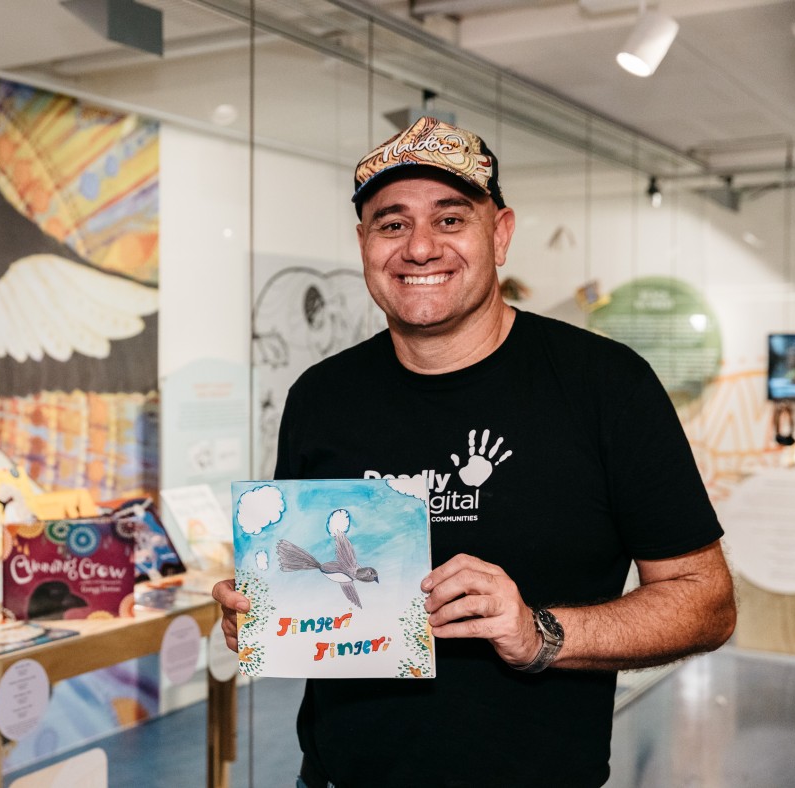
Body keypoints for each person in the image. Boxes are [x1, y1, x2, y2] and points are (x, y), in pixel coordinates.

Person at [212, 117, 736, 788]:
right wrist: (261, 613)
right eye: (392, 224)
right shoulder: (321, 396)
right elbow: (311, 596)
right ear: (364, 243)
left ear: (501, 232)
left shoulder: (605, 386)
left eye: (450, 219)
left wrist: (539, 633)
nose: (420, 248)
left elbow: (705, 601)